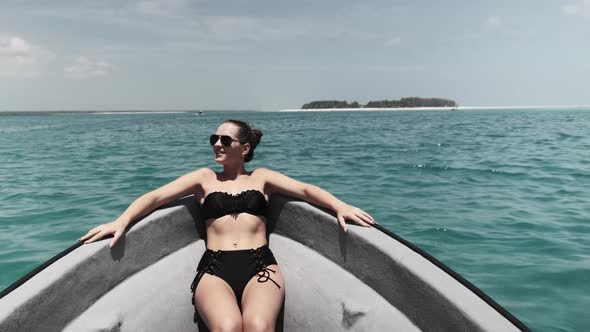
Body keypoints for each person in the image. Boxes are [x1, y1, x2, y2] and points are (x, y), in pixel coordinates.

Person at [79, 119, 376, 332]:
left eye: (224, 140)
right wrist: (122, 220)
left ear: (244, 148)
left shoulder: (262, 178)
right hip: (214, 267)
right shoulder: (203, 179)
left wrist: (339, 205)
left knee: (259, 327)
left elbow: (306, 190)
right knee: (228, 327)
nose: (216, 145)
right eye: (214, 139)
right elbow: (155, 197)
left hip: (260, 265)